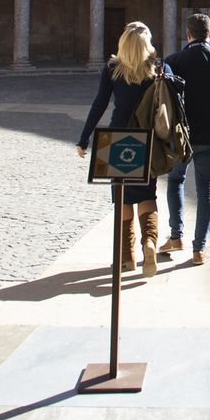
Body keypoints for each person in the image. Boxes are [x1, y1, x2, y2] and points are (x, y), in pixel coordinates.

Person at [76, 21, 182, 277]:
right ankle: (149, 243)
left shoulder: (113, 68)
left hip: (117, 138)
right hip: (148, 138)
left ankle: (126, 258)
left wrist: (84, 138)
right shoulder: (159, 67)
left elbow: (100, 104)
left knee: (122, 197)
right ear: (148, 43)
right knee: (147, 194)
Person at [161, 13, 210, 266]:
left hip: (180, 135)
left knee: (175, 180)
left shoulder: (173, 61)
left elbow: (164, 98)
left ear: (188, 34)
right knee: (206, 189)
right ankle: (199, 249)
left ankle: (176, 236)